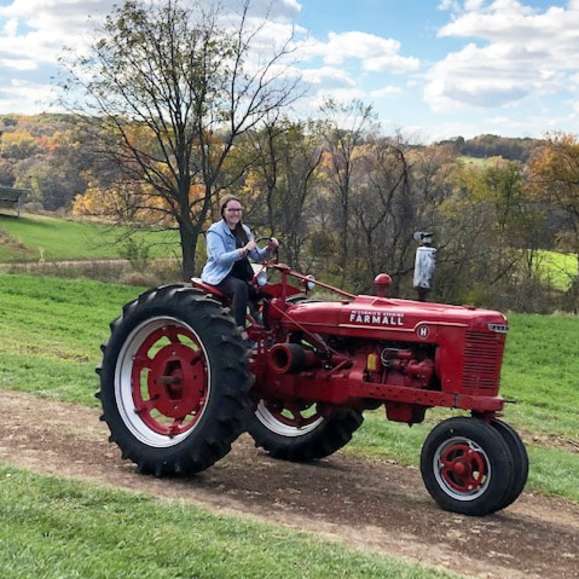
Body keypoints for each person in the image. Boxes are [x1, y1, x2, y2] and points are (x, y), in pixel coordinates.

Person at [201, 195, 278, 328]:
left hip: (242, 275)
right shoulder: (215, 231)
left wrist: (269, 248)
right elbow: (220, 259)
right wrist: (242, 251)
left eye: (238, 210)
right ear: (223, 211)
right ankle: (239, 330)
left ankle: (267, 328)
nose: (235, 213)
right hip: (221, 276)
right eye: (231, 210)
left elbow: (257, 256)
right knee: (240, 287)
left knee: (269, 291)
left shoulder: (245, 231)